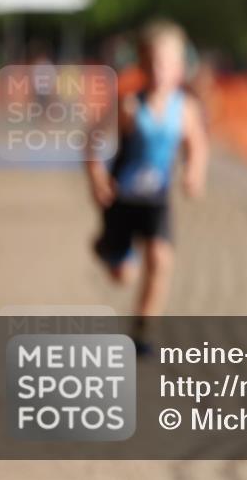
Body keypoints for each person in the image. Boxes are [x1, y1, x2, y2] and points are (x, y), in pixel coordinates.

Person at [86, 19, 209, 353]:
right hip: (122, 199)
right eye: (152, 62)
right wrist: (96, 178)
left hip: (156, 199)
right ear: (141, 64)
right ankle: (106, 248)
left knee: (160, 259)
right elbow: (92, 141)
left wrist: (193, 173)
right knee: (123, 275)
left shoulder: (185, 108)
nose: (159, 70)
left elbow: (196, 144)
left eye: (167, 63)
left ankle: (143, 328)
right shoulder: (128, 105)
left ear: (181, 67)